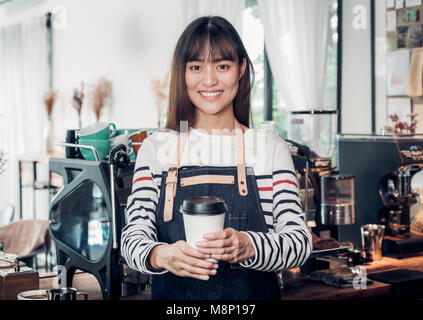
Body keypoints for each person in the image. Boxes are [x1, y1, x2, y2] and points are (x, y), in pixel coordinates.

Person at [121, 16, 312, 300]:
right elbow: (132, 238)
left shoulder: (270, 149)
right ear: (182, 73)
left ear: (241, 69)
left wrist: (250, 246)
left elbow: (299, 242)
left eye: (222, 66)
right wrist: (162, 255)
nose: (209, 80)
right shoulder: (156, 150)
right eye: (196, 67)